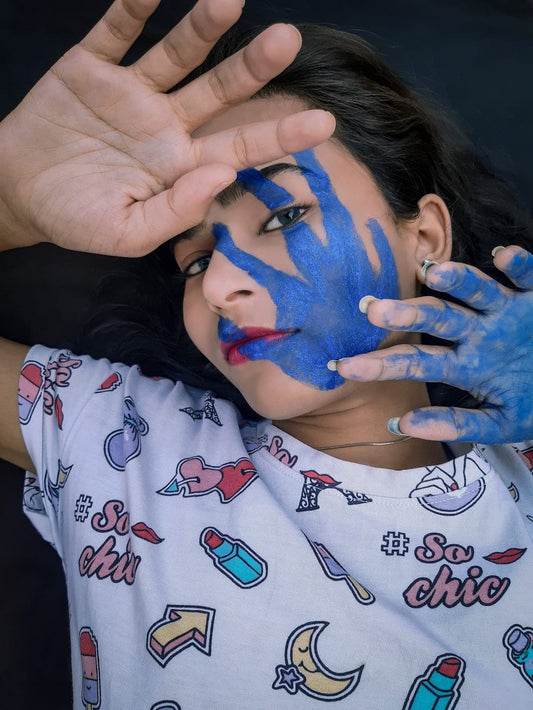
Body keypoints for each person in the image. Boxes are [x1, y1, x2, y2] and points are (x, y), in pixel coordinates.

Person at [1, 0, 532, 707]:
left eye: (282, 216)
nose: (219, 286)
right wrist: (5, 199)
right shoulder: (122, 443)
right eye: (192, 261)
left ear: (425, 238)